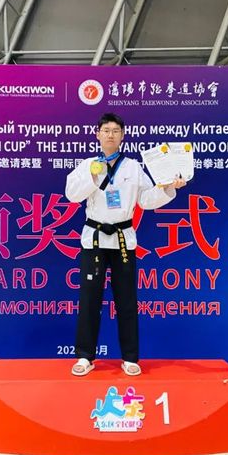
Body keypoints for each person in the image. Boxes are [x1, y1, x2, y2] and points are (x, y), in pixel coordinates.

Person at [65, 112, 186, 376]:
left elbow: (146, 200)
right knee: (89, 300)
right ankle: (85, 356)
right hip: (95, 239)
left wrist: (168, 187)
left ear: (123, 136)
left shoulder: (133, 167)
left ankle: (130, 358)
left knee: (126, 300)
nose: (110, 135)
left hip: (122, 240)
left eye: (115, 131)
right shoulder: (87, 165)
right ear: (97, 134)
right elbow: (72, 195)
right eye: (106, 130)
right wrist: (93, 177)